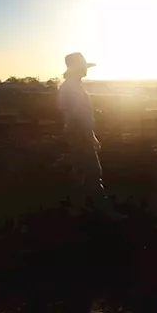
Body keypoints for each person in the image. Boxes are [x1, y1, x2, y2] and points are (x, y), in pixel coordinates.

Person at [57, 52, 125, 220]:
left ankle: (76, 209)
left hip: (77, 133)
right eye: (83, 67)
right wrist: (89, 136)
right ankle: (106, 212)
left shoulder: (69, 85)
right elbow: (79, 115)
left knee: (81, 171)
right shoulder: (73, 87)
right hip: (80, 134)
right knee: (93, 172)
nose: (86, 71)